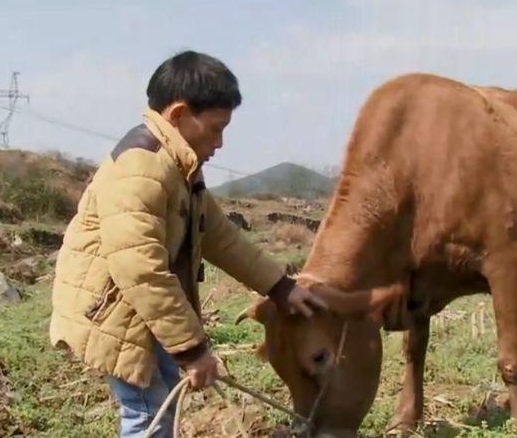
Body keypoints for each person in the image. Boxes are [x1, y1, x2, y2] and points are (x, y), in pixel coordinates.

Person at [49, 50, 327, 437]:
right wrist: (193, 351)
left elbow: (220, 236)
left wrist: (281, 288)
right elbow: (140, 270)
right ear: (178, 115)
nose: (221, 142)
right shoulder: (141, 168)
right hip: (117, 313)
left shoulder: (178, 167)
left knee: (159, 402)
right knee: (148, 415)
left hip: (146, 310)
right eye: (216, 128)